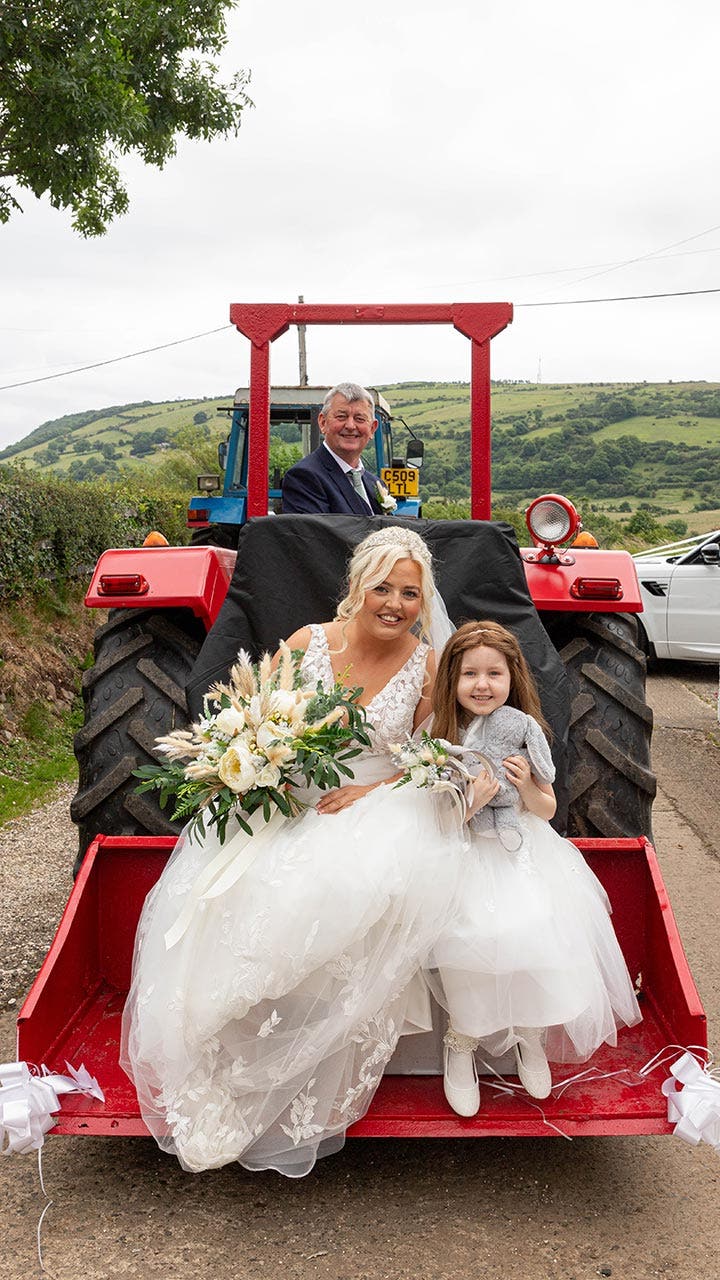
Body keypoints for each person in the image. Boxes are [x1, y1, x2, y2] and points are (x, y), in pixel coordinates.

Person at [120, 526, 462, 1176]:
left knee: (336, 882)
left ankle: (286, 1048)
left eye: (410, 593)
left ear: (424, 600)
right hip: (285, 794)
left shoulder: (429, 662)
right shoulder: (309, 642)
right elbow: (254, 718)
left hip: (375, 801)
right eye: (382, 587)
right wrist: (250, 770)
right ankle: (219, 1029)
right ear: (358, 585)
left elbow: (432, 755)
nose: (393, 602)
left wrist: (370, 792)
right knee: (233, 880)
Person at [426, 620, 642, 1118]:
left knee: (533, 940)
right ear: (452, 680)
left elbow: (546, 809)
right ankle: (462, 1045)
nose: (482, 685)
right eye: (469, 674)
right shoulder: (439, 737)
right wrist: (469, 801)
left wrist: (524, 788)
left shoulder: (525, 730)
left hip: (521, 851)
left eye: (494, 674)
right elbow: (432, 820)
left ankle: (530, 1036)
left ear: (512, 677)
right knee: (467, 947)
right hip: (465, 856)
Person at [281, 382, 388, 514]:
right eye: (341, 417)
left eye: (359, 419)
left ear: (372, 429)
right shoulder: (304, 478)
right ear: (322, 422)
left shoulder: (376, 484)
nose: (350, 426)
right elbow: (314, 533)